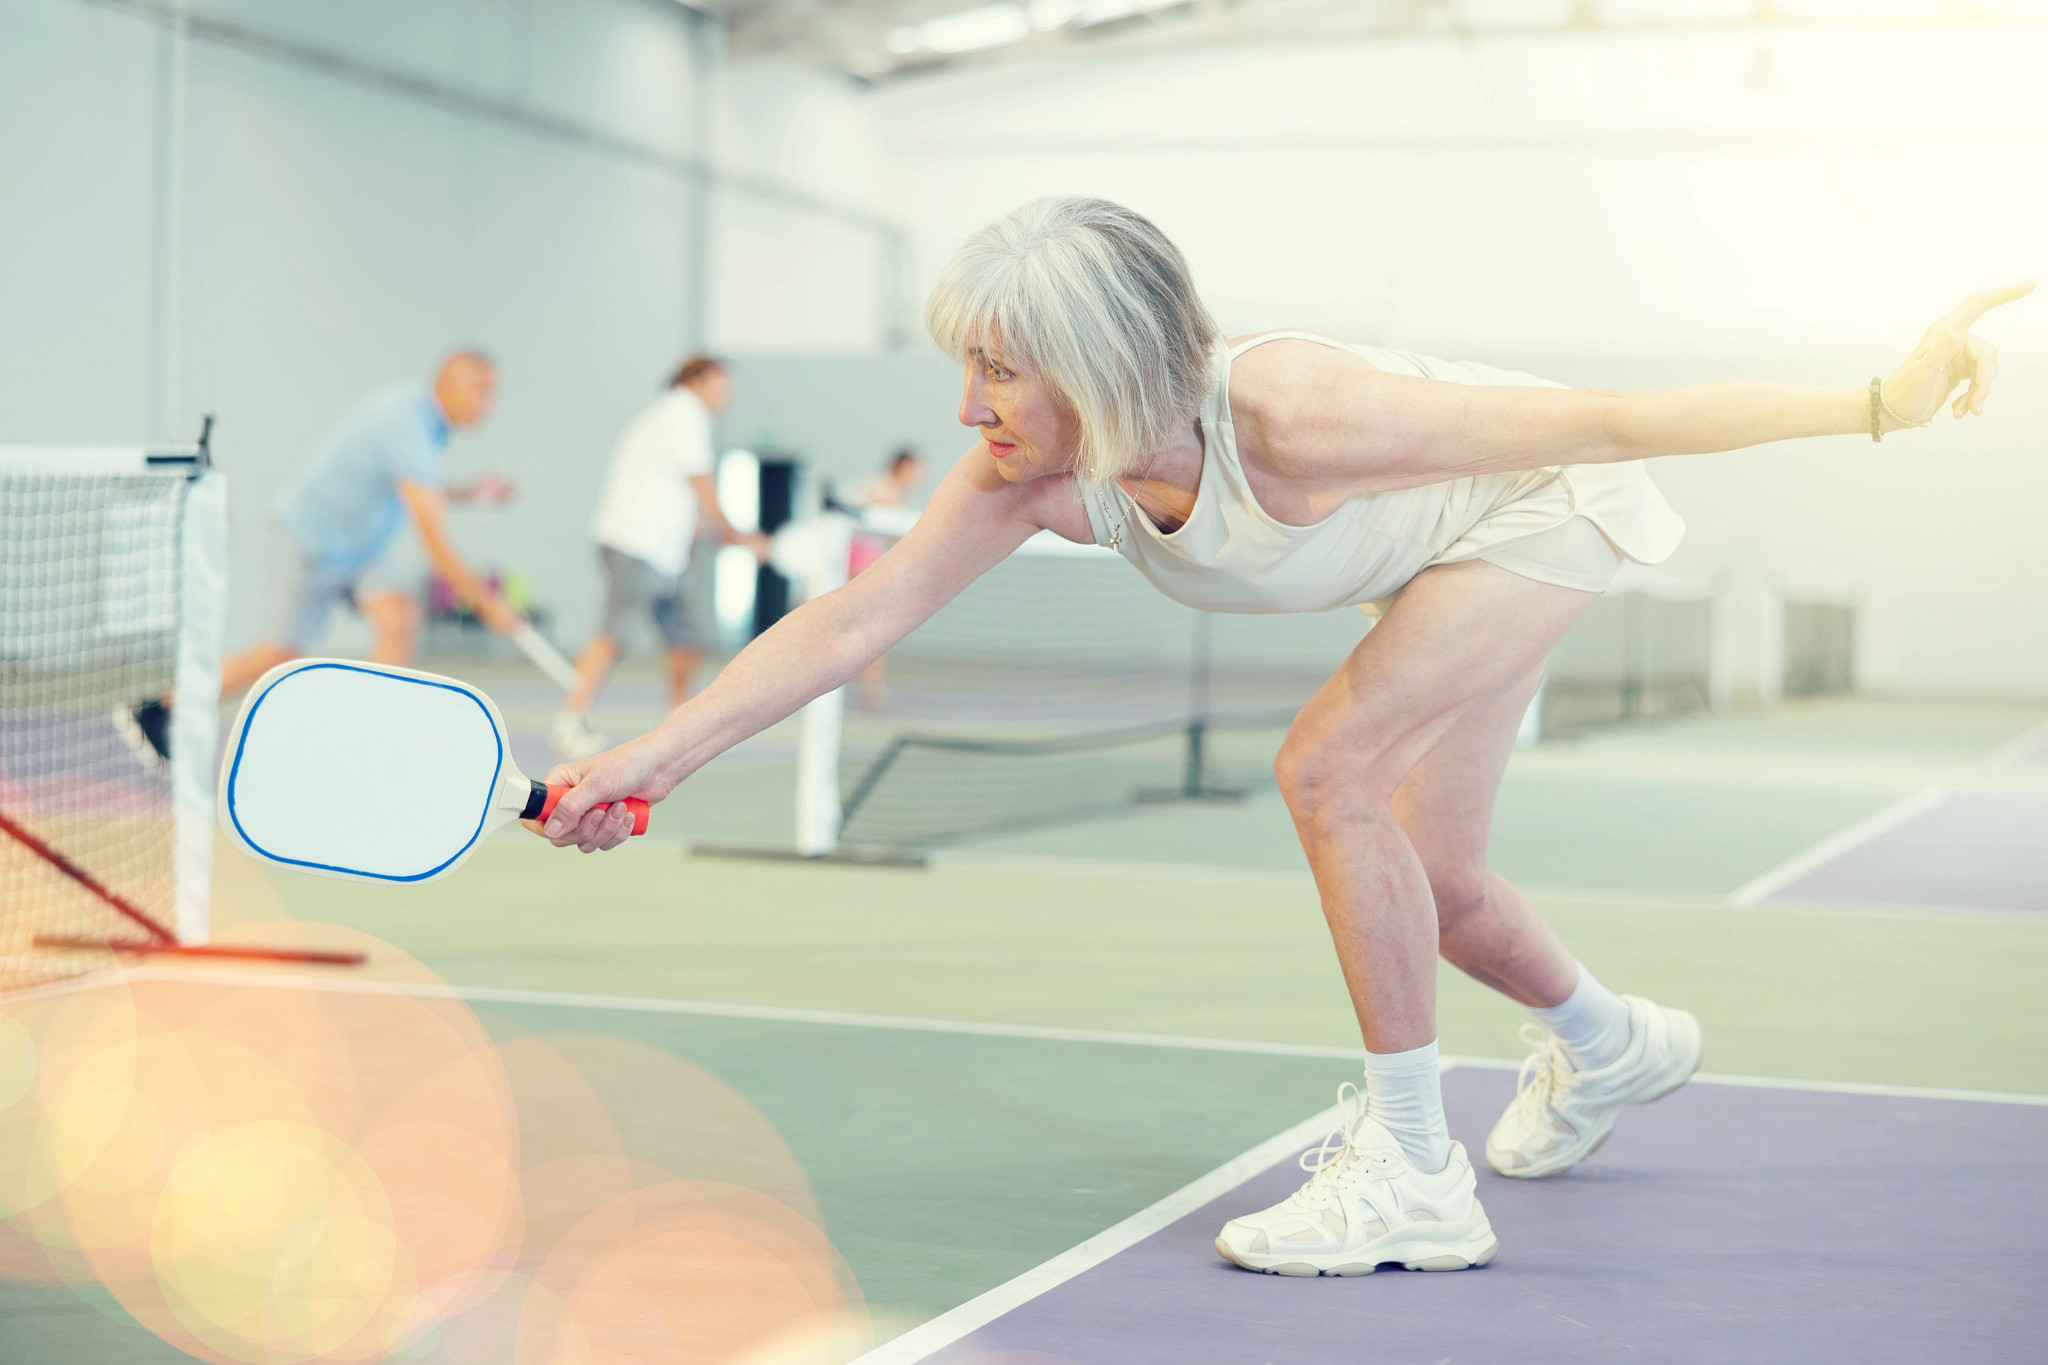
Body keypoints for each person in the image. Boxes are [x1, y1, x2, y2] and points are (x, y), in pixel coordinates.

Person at [531, 199, 2029, 1274]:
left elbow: (1614, 419)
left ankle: (1414, 1171)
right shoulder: (1019, 477)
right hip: (1440, 564)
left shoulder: (1299, 413)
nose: (969, 400)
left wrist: (1880, 406)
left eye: (1000, 365)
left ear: (1102, 363)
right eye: (969, 362)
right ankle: (1609, 1042)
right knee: (1440, 886)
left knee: (1328, 768)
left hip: (1542, 512)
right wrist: (645, 761)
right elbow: (851, 626)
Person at [125, 351, 523, 764]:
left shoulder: (426, 422)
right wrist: (487, 604)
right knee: (276, 655)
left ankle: (368, 737)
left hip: (360, 547)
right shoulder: (406, 426)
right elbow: (436, 542)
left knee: (400, 615)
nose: (488, 405)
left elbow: (416, 484)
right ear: (450, 383)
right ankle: (159, 707)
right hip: (309, 543)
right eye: (482, 392)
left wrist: (469, 492)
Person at [550, 356, 768, 759]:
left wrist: (713, 534)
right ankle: (570, 722)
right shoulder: (683, 414)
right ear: (695, 382)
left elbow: (676, 501)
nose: (727, 396)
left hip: (665, 556)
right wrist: (738, 535)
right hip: (636, 547)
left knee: (686, 639)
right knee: (613, 636)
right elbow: (701, 486)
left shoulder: (673, 421)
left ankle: (675, 730)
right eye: (722, 386)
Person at [848, 447, 928, 709]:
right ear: (902, 467)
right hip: (856, 562)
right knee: (872, 630)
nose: (919, 477)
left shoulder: (882, 490)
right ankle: (872, 692)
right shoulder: (883, 491)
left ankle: (871, 690)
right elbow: (897, 533)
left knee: (868, 631)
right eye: (915, 471)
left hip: (862, 561)